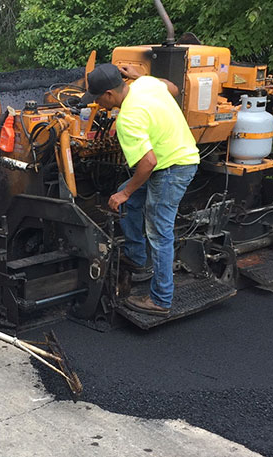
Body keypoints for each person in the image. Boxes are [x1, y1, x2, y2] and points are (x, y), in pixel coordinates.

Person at [81, 63, 200, 316]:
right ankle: (136, 257)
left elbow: (148, 162)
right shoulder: (145, 83)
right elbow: (174, 88)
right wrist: (141, 75)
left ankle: (160, 300)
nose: (96, 104)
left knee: (159, 232)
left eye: (98, 98)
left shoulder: (127, 119)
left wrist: (124, 192)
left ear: (110, 95)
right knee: (131, 199)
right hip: (173, 160)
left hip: (172, 168)